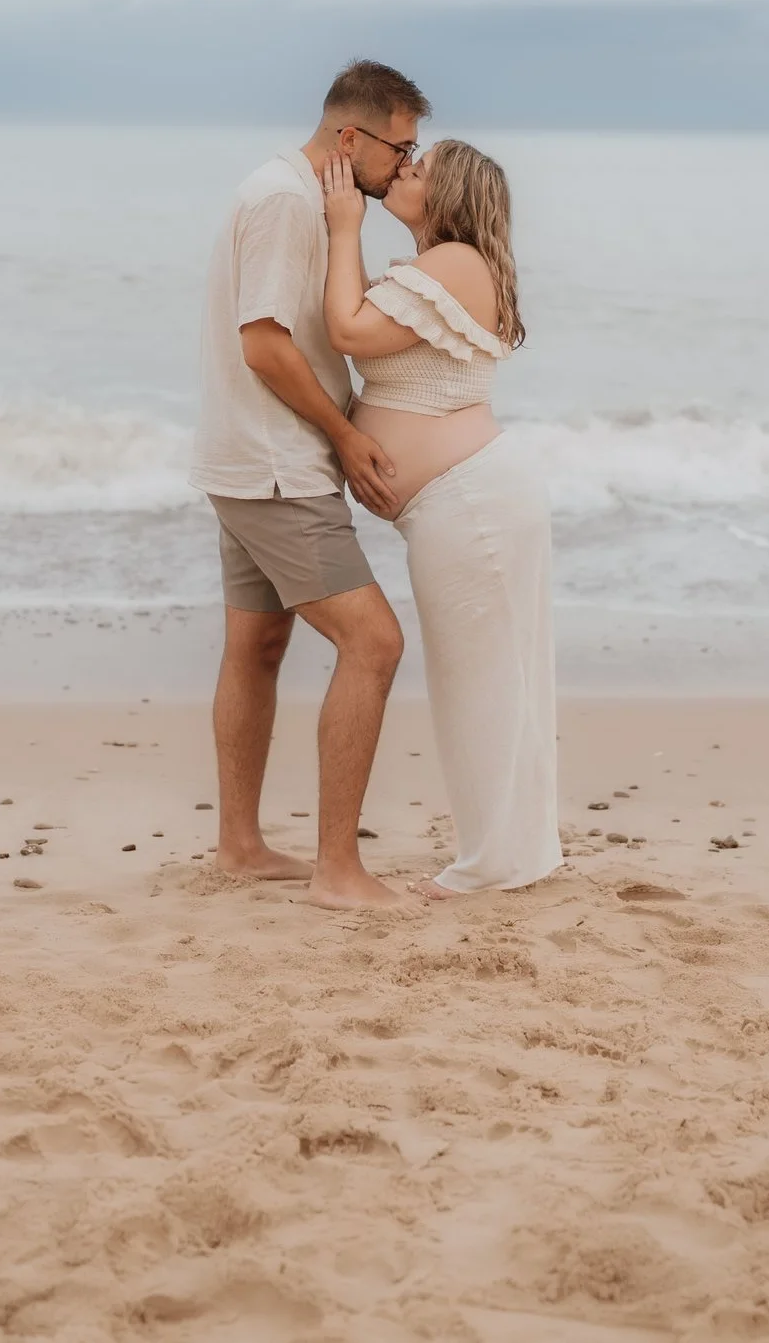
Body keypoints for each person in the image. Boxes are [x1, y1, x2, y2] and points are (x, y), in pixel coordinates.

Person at [190, 60, 428, 910]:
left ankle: (241, 847)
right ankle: (339, 870)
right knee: (374, 642)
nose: (407, 164)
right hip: (276, 464)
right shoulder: (288, 201)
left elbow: (307, 337)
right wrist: (345, 435)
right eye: (400, 148)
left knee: (257, 648)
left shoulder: (293, 194)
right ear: (350, 137)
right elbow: (264, 343)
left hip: (252, 459)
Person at [319, 138, 561, 899]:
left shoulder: (455, 259)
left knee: (483, 686)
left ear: (450, 197)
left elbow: (349, 332)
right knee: (491, 682)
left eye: (420, 170)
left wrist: (341, 229)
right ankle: (509, 855)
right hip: (463, 504)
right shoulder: (440, 267)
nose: (404, 170)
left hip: (472, 503)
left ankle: (494, 864)